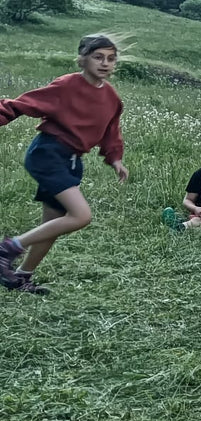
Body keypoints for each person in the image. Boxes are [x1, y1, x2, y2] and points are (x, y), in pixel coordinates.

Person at [0, 34, 128, 295]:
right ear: (82, 59)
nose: (105, 63)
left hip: (72, 161)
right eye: (98, 57)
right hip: (48, 153)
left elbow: (110, 130)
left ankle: (21, 277)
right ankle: (7, 249)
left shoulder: (112, 98)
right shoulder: (67, 85)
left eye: (111, 59)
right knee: (81, 216)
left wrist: (115, 158)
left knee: (53, 223)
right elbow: (23, 104)